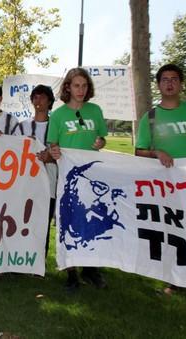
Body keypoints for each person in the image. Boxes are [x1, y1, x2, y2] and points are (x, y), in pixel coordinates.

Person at [135, 63, 186, 297]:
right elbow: (139, 151)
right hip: (167, 187)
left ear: (180, 84)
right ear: (158, 85)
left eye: (174, 79)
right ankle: (173, 280)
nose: (169, 83)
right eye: (164, 80)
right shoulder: (150, 117)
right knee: (173, 231)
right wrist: (156, 153)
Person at [47, 67, 108, 292]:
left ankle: (91, 269)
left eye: (84, 86)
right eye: (76, 86)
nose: (80, 90)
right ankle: (71, 272)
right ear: (68, 88)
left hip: (93, 177)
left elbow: (102, 138)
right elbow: (53, 144)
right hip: (69, 178)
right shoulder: (59, 115)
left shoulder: (95, 110)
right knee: (69, 222)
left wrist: (100, 142)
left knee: (93, 219)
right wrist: (54, 151)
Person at [19, 85, 57, 259]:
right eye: (35, 97)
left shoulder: (56, 126)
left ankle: (38, 262)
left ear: (49, 101)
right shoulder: (23, 126)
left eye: (42, 97)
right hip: (25, 182)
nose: (38, 101)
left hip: (49, 181)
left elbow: (63, 153)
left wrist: (49, 156)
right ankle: (20, 257)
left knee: (43, 223)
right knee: (22, 220)